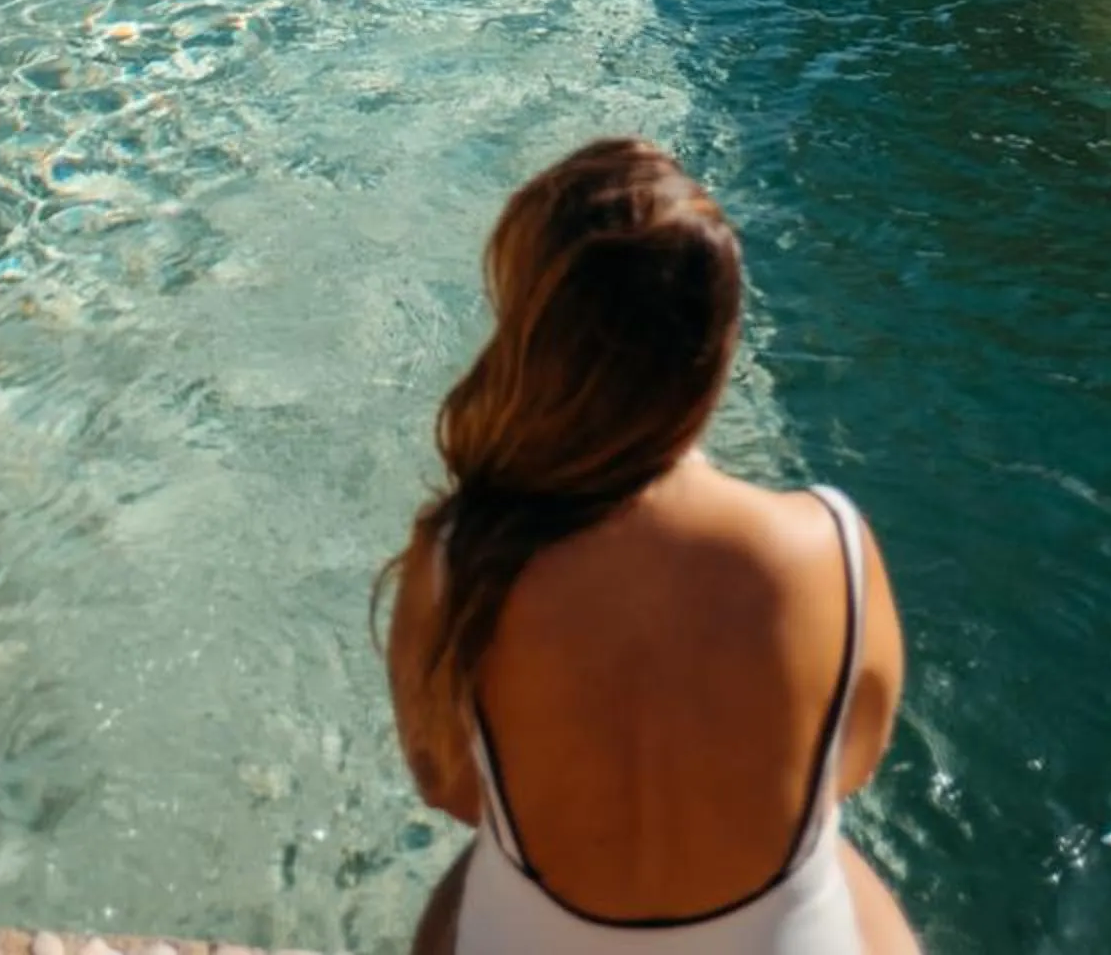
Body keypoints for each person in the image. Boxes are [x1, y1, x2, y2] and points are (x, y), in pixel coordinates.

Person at [382, 140, 917, 955]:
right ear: (720, 349)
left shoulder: (460, 555)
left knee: (465, 884)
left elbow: (447, 786)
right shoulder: (831, 547)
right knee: (834, 847)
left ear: (534, 340)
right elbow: (848, 765)